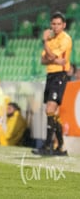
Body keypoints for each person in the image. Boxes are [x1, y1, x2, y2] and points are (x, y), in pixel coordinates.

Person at [32, 12, 72, 156]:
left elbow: (50, 56)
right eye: (53, 24)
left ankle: (48, 145)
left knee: (50, 110)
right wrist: (54, 59)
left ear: (64, 25)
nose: (55, 27)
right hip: (50, 75)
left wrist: (45, 43)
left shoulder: (65, 39)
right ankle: (61, 147)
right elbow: (43, 60)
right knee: (51, 112)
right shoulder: (52, 39)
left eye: (58, 24)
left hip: (60, 76)